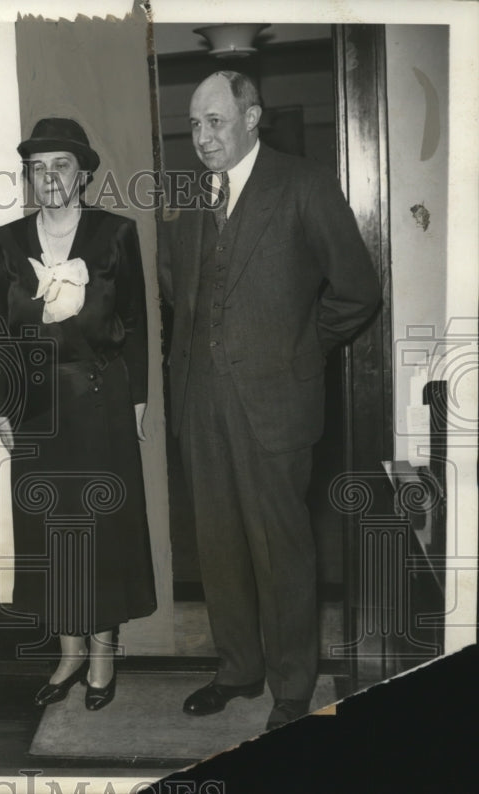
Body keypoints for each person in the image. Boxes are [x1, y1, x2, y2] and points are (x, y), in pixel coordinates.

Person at [158, 71, 381, 730]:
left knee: (281, 549)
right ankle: (237, 668)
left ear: (253, 117)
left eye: (216, 122)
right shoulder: (187, 194)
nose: (201, 137)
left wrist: (298, 348)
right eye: (194, 124)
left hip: (276, 403)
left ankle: (290, 689)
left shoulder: (303, 184)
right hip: (201, 399)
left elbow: (358, 291)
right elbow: (175, 283)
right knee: (218, 545)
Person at [0, 118, 157, 711]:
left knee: (102, 528)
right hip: (35, 410)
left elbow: (135, 322)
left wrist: (136, 401)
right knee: (51, 531)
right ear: (28, 177)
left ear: (82, 173)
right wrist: (1, 408)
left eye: (61, 165)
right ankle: (69, 651)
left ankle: (104, 652)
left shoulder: (115, 233)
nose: (49, 177)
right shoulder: (7, 241)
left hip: (101, 401)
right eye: (38, 167)